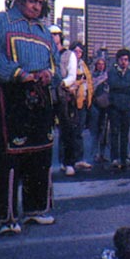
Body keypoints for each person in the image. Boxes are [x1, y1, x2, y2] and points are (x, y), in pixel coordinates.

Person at [0, 0, 59, 235]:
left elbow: (56, 64)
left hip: (41, 98)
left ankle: (36, 209)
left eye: (40, 2)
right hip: (12, 96)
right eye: (31, 0)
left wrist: (51, 74)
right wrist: (18, 74)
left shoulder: (44, 31)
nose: (36, 6)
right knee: (9, 156)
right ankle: (7, 216)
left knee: (40, 153)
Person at [52, 25, 78, 176]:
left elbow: (72, 75)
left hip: (63, 93)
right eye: (51, 35)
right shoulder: (45, 53)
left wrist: (63, 83)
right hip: (47, 92)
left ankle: (69, 162)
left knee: (67, 129)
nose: (54, 38)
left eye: (56, 35)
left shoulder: (69, 54)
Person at [107, 48, 130, 169]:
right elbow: (113, 84)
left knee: (125, 133)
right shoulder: (112, 72)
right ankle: (114, 158)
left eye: (126, 60)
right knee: (114, 132)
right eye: (122, 59)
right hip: (114, 107)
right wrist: (126, 87)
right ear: (118, 60)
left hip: (127, 107)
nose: (124, 62)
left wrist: (121, 87)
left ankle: (124, 157)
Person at [69, 42, 94, 170]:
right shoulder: (70, 64)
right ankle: (71, 160)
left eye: (80, 51)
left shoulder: (83, 65)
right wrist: (79, 81)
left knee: (80, 131)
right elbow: (69, 81)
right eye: (76, 51)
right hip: (73, 102)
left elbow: (89, 82)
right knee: (73, 132)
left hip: (84, 101)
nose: (78, 54)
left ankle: (79, 158)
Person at [90, 57, 110, 163]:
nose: (101, 66)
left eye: (102, 64)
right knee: (95, 130)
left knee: (104, 131)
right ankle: (95, 153)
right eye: (99, 64)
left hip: (105, 106)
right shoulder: (91, 76)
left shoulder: (107, 77)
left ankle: (103, 153)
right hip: (95, 105)